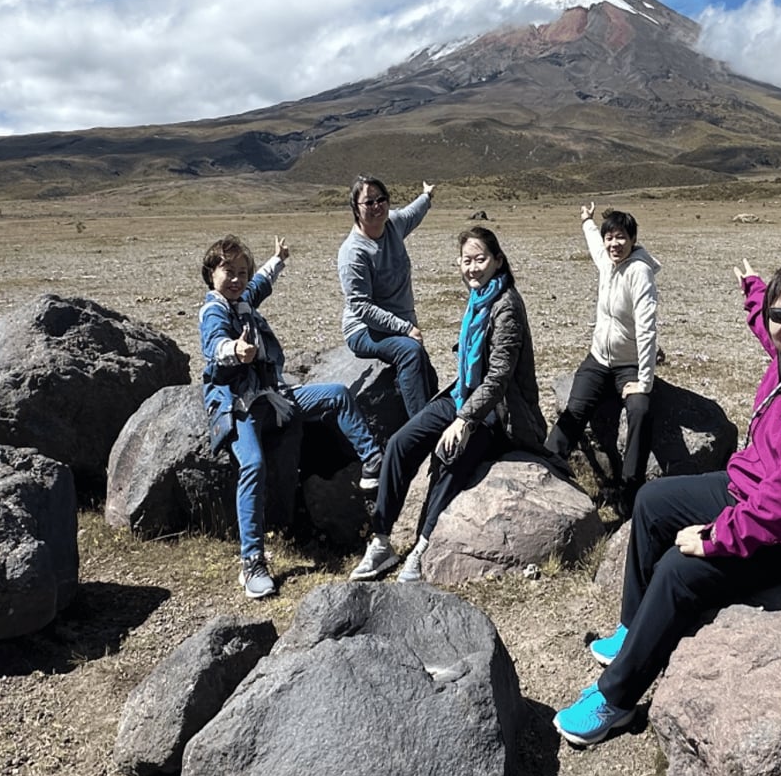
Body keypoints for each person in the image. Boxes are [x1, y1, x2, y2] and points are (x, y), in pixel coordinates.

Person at [554, 242, 781, 746]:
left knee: (681, 571)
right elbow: (769, 331)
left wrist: (719, 538)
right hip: (750, 486)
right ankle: (635, 630)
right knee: (654, 502)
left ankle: (617, 699)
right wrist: (756, 292)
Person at [351, 226, 549, 583]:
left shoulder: (506, 305)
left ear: (498, 261)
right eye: (467, 261)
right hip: (463, 395)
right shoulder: (479, 299)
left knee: (449, 454)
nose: (473, 268)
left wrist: (465, 419)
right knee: (400, 443)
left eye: (481, 259)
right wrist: (460, 410)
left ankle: (422, 549)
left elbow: (500, 376)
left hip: (499, 413)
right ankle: (381, 541)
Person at [200, 234, 384, 599]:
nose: (237, 279)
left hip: (273, 397)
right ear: (210, 274)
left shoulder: (243, 301)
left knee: (336, 395)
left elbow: (259, 285)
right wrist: (236, 350)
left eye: (241, 271)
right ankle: (251, 561)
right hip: (239, 405)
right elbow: (214, 345)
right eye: (228, 271)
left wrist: (278, 259)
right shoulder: (214, 311)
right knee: (252, 466)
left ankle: (374, 461)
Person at [545, 203, 661, 515]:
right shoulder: (607, 261)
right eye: (610, 237)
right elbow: (595, 244)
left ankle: (630, 488)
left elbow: (648, 330)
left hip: (630, 364)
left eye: (621, 237)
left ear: (633, 239)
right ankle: (547, 465)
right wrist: (587, 220)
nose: (613, 243)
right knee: (576, 408)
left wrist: (644, 382)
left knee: (640, 410)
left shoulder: (640, 273)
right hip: (599, 357)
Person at [337, 174, 441, 419]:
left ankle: (436, 421)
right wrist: (404, 328)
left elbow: (412, 213)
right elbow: (361, 306)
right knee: (409, 352)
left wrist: (426, 195)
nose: (377, 206)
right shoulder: (353, 252)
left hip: (397, 324)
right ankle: (421, 430)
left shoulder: (392, 224)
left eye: (381, 199)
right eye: (369, 202)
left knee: (429, 375)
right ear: (355, 208)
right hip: (363, 329)